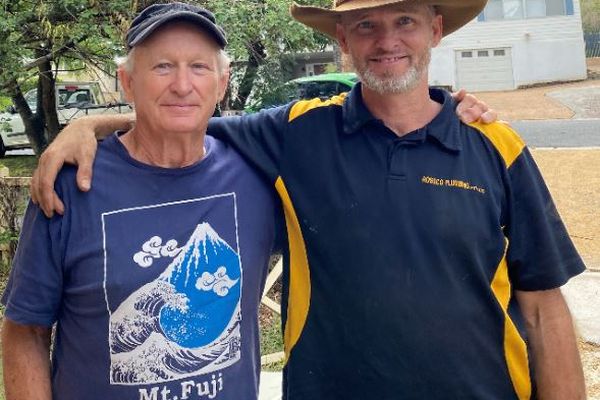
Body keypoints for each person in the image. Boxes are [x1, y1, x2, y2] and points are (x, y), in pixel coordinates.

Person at [30, 1, 587, 399]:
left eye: (405, 21)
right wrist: (87, 126)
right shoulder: (297, 132)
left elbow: (544, 308)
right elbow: (178, 114)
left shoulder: (495, 146)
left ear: (435, 30)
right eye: (366, 25)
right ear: (342, 39)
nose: (386, 41)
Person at [1, 3, 277, 399]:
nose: (182, 84)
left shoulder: (257, 174)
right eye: (162, 66)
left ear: (222, 82)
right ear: (127, 82)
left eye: (199, 67)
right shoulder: (71, 184)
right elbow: (26, 330)